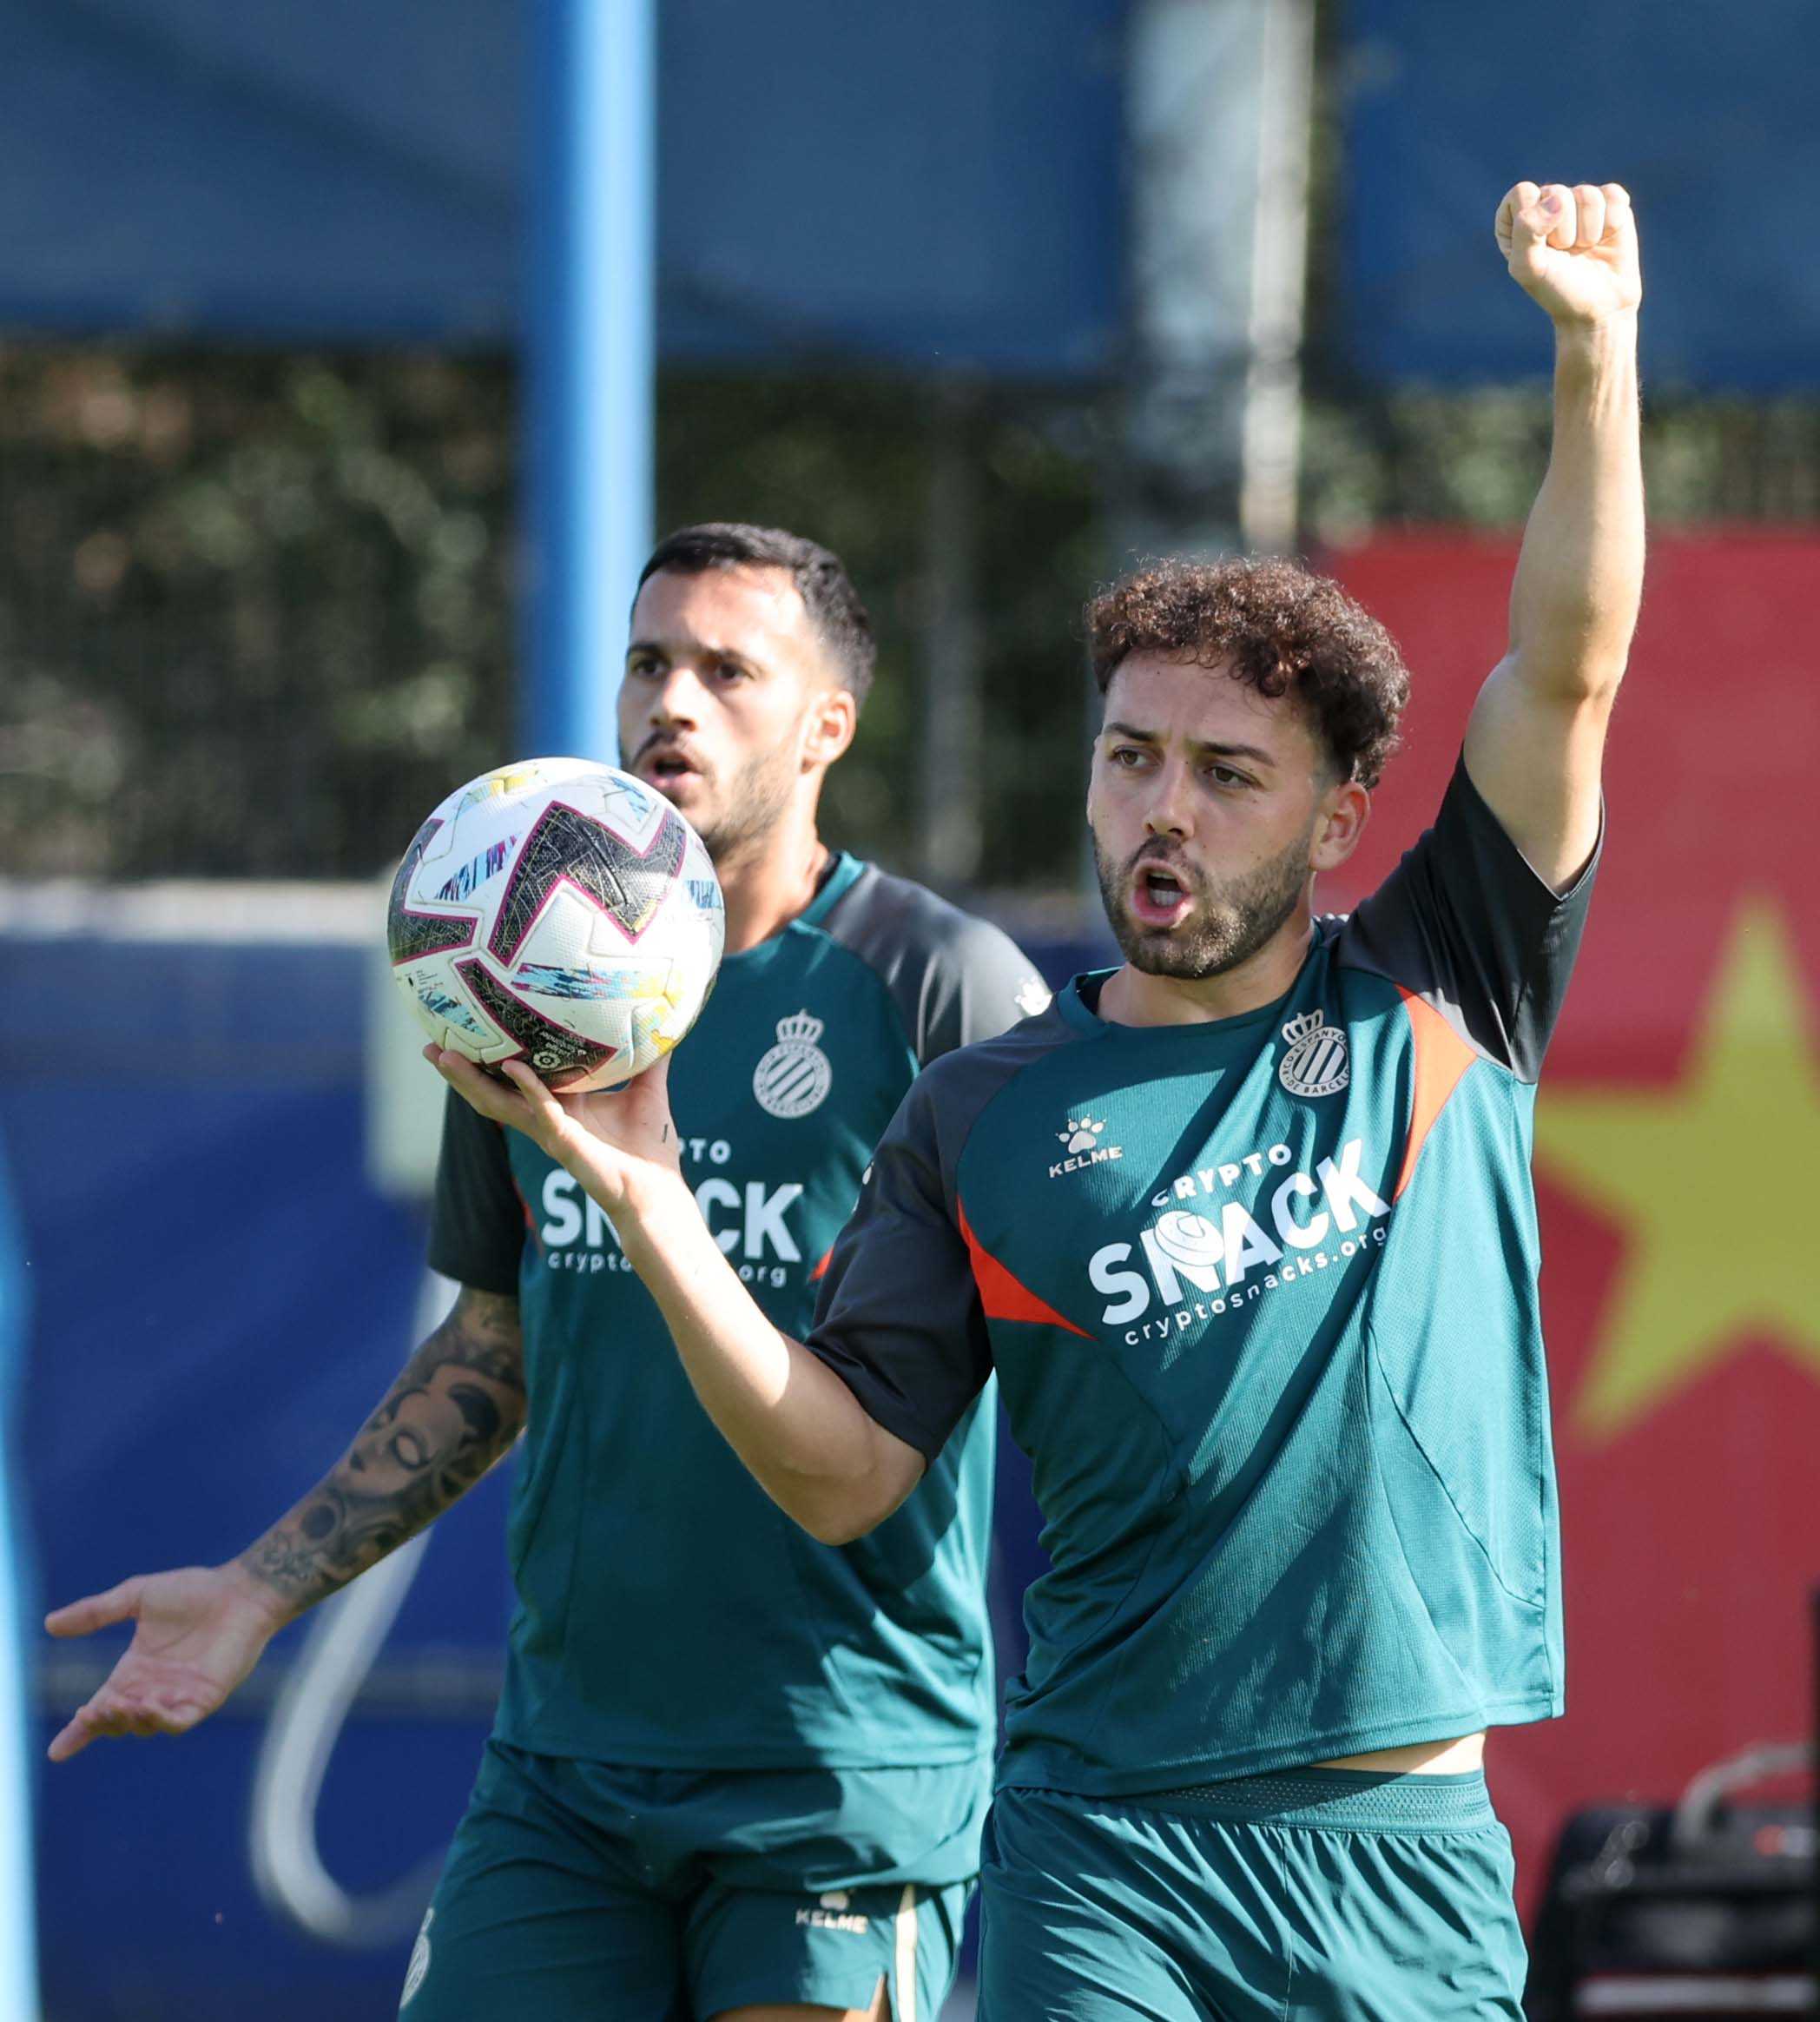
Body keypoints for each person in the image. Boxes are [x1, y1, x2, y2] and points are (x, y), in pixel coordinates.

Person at [427, 180, 1645, 2019]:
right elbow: (844, 1474)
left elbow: (1567, 665)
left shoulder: (1442, 986)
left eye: (1227, 774)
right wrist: (654, 1204)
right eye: (1130, 757)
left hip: (1400, 1857)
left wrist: (1591, 354)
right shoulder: (977, 1113)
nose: (1164, 809)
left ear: (1336, 818)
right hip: (1101, 1859)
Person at [46, 523, 1050, 2022]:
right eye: (649, 662)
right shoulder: (525, 986)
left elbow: (1066, 1371)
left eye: (728, 670)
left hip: (838, 1771)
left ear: (829, 725)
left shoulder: (939, 987)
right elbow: (494, 1345)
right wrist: (259, 1588)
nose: (672, 702)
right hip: (568, 1771)